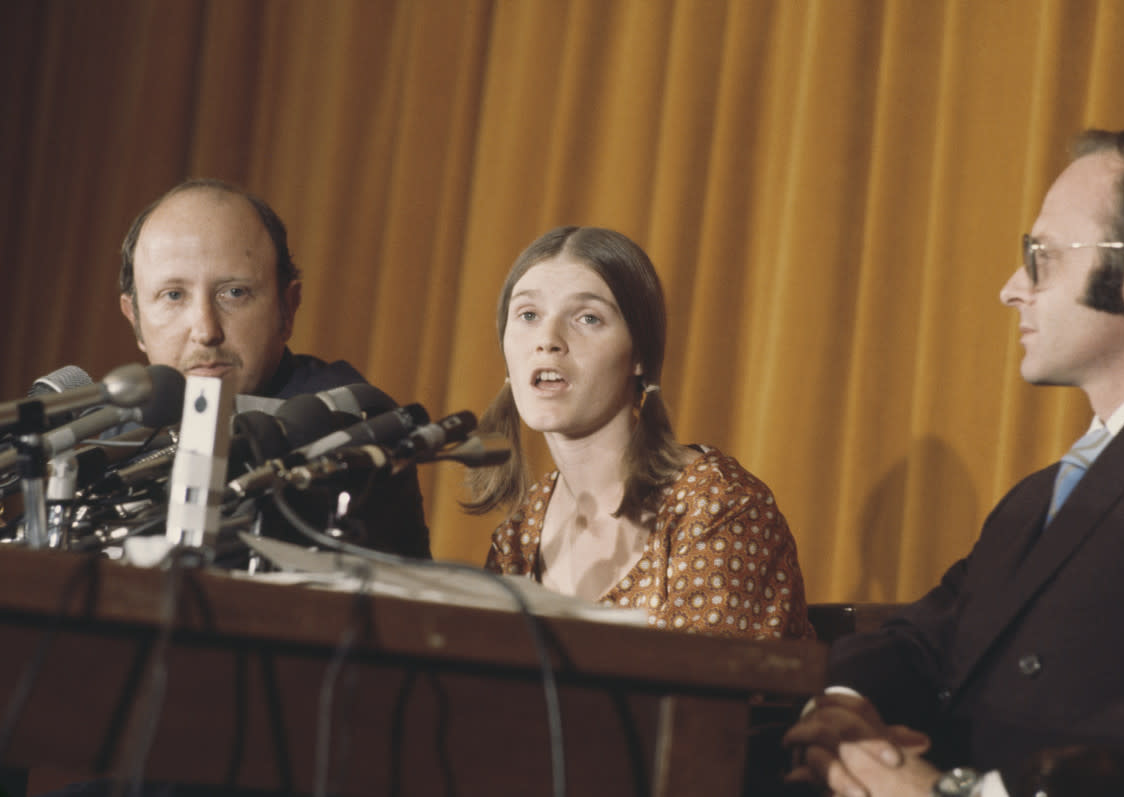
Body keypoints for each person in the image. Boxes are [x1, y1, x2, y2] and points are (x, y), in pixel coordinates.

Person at [782, 129, 1124, 796]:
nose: (1012, 289)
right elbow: (924, 641)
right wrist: (842, 706)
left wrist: (959, 795)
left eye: (1041, 256)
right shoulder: (1039, 496)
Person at [467, 226, 813, 641]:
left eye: (588, 318)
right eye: (528, 315)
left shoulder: (718, 509)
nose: (547, 340)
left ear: (640, 356)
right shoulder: (519, 536)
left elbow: (707, 699)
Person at [119, 179, 429, 559]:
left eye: (234, 293)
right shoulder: (112, 436)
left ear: (287, 308)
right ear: (134, 319)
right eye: (173, 295)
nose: (205, 330)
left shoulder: (349, 422)